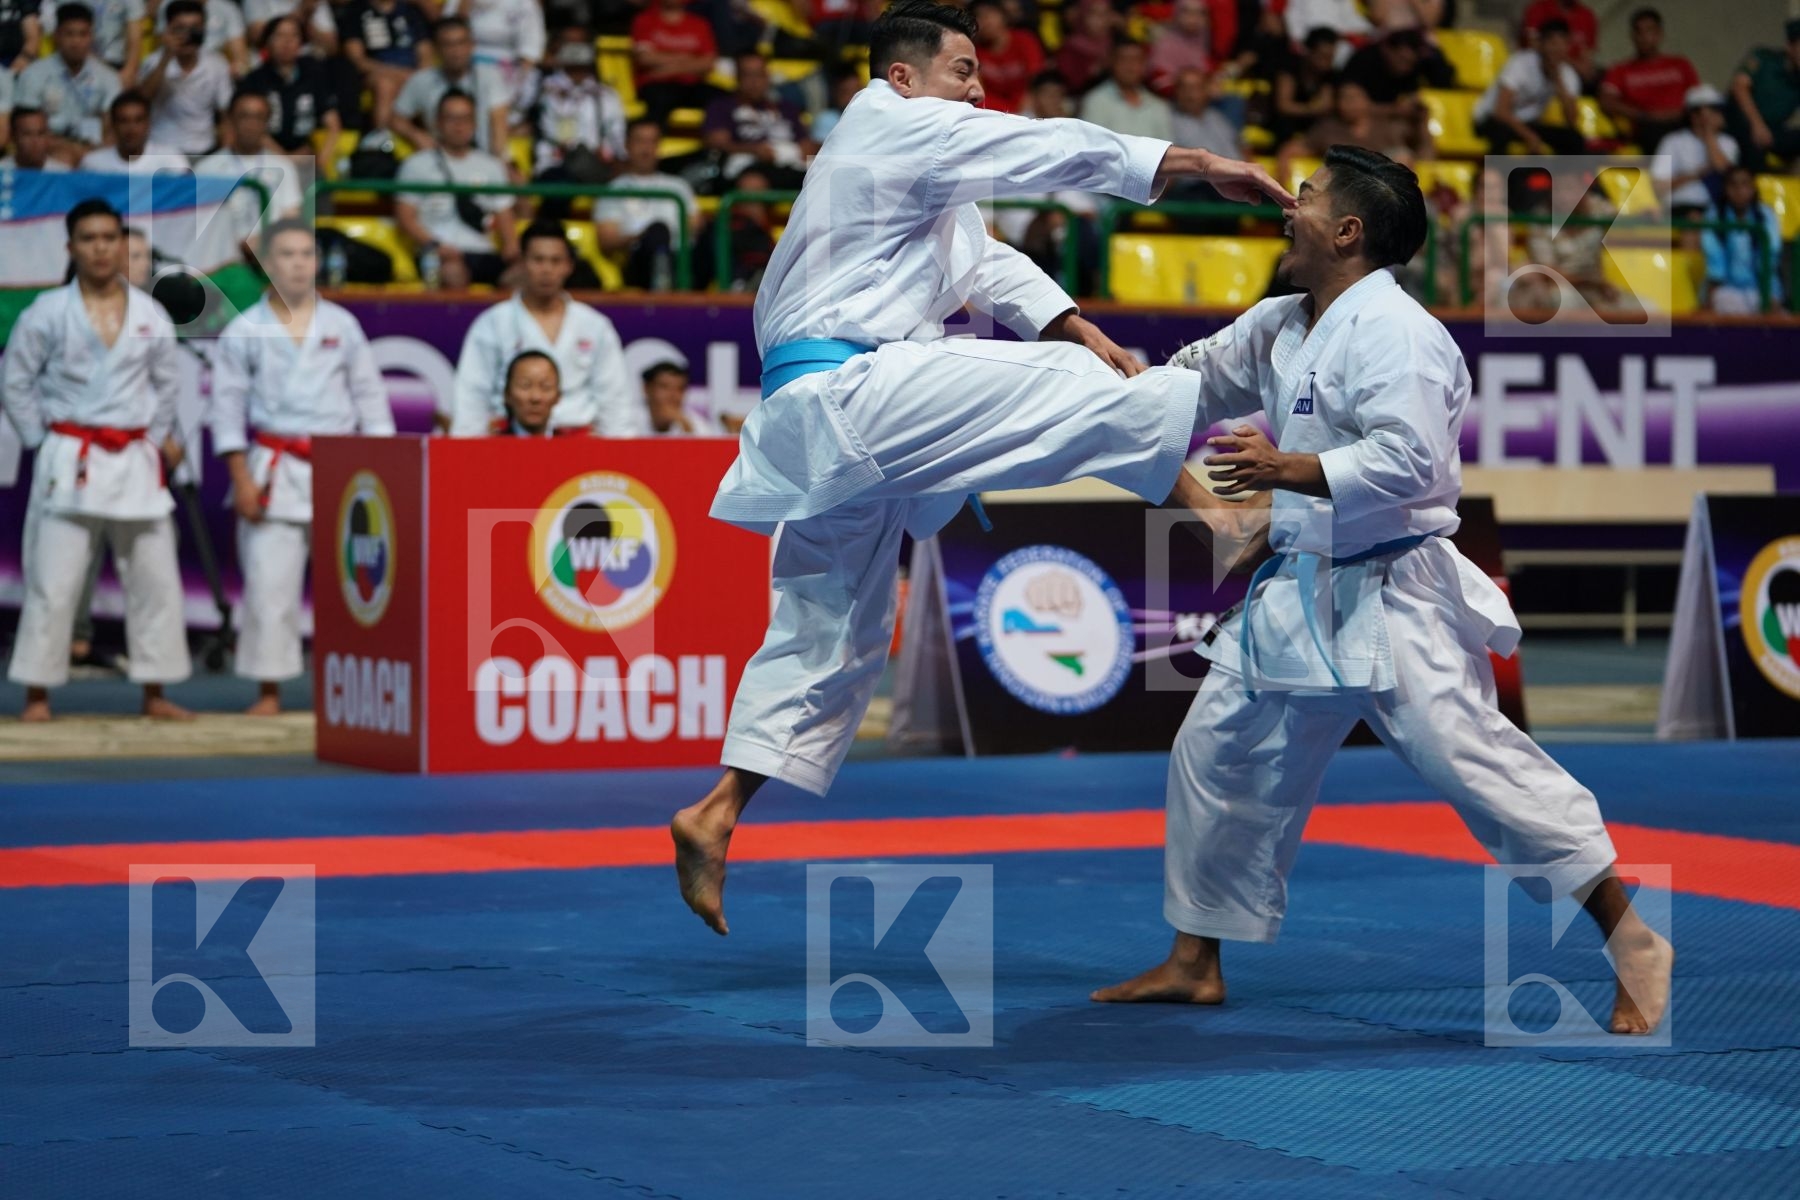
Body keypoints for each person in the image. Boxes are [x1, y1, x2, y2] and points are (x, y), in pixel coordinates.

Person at [668, 0, 1293, 936]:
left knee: (830, 631)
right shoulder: (886, 123)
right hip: (851, 396)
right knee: (1071, 387)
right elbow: (1045, 148)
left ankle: (715, 813)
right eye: (962, 69)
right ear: (902, 78)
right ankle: (1221, 514)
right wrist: (1195, 165)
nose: (978, 85)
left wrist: (1077, 320)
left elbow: (988, 263)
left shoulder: (914, 182)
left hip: (831, 425)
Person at [1090, 146, 1674, 1040]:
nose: (1291, 204)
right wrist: (1082, 374)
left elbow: (1412, 463)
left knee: (1475, 767)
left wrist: (1285, 468)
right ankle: (1194, 960)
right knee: (1215, 754)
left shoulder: (1399, 333)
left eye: (1310, 196)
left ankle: (1631, 937)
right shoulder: (1285, 322)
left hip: (1396, 588)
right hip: (1299, 592)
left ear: (1348, 231)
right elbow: (1183, 383)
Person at [2, 199, 192, 722]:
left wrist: (152, 441)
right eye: (89, 239)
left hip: (133, 457)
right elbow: (14, 382)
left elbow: (169, 388)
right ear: (71, 247)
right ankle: (37, 694)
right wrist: (41, 438)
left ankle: (155, 692)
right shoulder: (47, 311)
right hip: (71, 454)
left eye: (110, 238)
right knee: (54, 578)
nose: (101, 248)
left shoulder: (150, 312)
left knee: (155, 577)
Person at [210, 218, 394, 715]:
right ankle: (269, 691)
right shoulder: (244, 329)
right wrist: (241, 478)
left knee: (353, 586)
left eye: (307, 254)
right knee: (270, 585)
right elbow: (225, 409)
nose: (297, 263)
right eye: (287, 254)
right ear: (268, 265)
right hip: (273, 467)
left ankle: (355, 689)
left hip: (341, 470)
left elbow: (371, 401)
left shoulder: (343, 326)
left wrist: (385, 473)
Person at [449, 221, 638, 435]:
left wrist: (621, 450)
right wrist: (466, 449)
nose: (547, 270)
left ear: (569, 266)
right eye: (538, 260)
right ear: (522, 263)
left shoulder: (595, 325)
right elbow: (472, 395)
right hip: (509, 440)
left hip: (578, 441)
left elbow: (614, 398)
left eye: (556, 261)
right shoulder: (493, 323)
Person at [393, 88, 518, 287]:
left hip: (483, 252)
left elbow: (505, 218)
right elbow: (405, 217)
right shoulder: (416, 164)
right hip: (439, 254)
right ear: (438, 123)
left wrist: (513, 252)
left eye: (465, 118)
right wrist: (435, 246)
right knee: (453, 272)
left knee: (522, 276)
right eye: (451, 118)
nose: (459, 125)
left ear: (475, 123)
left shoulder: (492, 166)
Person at [593, 116, 701, 290]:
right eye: (640, 141)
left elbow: (695, 225)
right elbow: (607, 238)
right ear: (627, 145)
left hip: (680, 259)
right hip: (638, 260)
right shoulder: (614, 190)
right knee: (657, 232)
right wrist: (644, 236)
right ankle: (662, 278)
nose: (646, 148)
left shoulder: (678, 186)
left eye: (652, 142)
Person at [197, 90, 307, 250]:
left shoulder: (284, 167)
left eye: (258, 117)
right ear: (231, 120)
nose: (251, 124)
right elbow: (201, 223)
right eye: (244, 116)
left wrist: (263, 242)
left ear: (266, 123)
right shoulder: (207, 168)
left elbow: (290, 219)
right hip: (222, 256)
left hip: (270, 257)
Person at [519, 26, 627, 189]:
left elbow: (617, 138)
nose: (575, 49)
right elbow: (518, 110)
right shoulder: (540, 87)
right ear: (557, 46)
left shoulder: (607, 95)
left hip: (596, 166)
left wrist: (609, 156)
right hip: (554, 165)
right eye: (569, 43)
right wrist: (543, 65)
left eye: (581, 43)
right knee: (560, 182)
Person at [15, 3, 124, 164]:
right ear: (56, 36)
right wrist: (73, 150)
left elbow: (111, 129)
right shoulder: (33, 75)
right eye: (69, 34)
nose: (76, 42)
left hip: (94, 149)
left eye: (83, 34)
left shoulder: (108, 77)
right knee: (62, 160)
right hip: (48, 150)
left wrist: (90, 153)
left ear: (91, 36)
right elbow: (26, 129)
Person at [392, 16, 509, 156]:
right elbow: (396, 119)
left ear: (471, 45)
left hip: (482, 158)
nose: (456, 51)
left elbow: (499, 123)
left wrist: (497, 164)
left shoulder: (490, 76)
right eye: (448, 44)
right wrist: (417, 136)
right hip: (439, 160)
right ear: (436, 48)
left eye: (461, 43)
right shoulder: (421, 80)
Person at [136, 0, 235, 156]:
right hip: (162, 150)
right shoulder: (154, 62)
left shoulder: (217, 64)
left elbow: (226, 117)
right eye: (180, 29)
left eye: (194, 28)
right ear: (168, 30)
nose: (188, 35)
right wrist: (166, 58)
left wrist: (224, 158)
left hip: (204, 150)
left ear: (204, 29)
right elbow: (143, 100)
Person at [701, 52, 814, 189]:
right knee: (752, 184)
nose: (754, 81)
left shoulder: (786, 108)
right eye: (748, 75)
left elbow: (806, 144)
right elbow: (717, 143)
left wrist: (802, 150)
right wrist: (755, 150)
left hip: (789, 167)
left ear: (767, 77)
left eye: (759, 75)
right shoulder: (722, 107)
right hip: (747, 168)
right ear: (737, 78)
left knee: (822, 181)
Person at [1474, 18, 1585, 156]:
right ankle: (1492, 175)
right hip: (1492, 119)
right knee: (1501, 134)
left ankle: (1567, 177)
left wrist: (1558, 80)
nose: (1557, 49)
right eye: (1552, 43)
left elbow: (1572, 120)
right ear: (1540, 45)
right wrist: (1529, 135)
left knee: (1573, 138)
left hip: (1526, 123)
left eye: (1563, 43)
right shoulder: (1520, 63)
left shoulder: (1567, 74)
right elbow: (1500, 111)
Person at [1598, 8, 1698, 154]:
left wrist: (1676, 114)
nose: (1644, 37)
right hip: (1646, 127)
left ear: (1659, 34)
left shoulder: (1680, 64)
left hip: (1681, 122)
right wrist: (1643, 115)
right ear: (1632, 36)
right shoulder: (1620, 69)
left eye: (1649, 31)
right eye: (1639, 32)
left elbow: (1697, 97)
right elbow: (1607, 100)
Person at [240, 15, 341, 157]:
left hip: (304, 153)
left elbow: (333, 125)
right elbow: (251, 129)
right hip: (264, 156)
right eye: (280, 35)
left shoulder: (314, 74)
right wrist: (286, 161)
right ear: (267, 42)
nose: (287, 42)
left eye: (294, 35)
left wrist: (320, 162)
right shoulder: (254, 80)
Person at [1652, 85, 1738, 225]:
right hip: (1682, 206)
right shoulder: (1673, 141)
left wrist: (1709, 134)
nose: (1715, 115)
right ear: (1692, 115)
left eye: (1716, 110)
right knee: (1694, 219)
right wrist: (1697, 174)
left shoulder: (1728, 142)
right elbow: (1659, 186)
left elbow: (1724, 171)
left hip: (1720, 207)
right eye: (1709, 111)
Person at [340, 0, 429, 135]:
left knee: (429, 83)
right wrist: (401, 74)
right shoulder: (355, 12)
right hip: (376, 74)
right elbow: (357, 60)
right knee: (385, 84)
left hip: (412, 74)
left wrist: (419, 76)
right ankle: (381, 139)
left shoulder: (411, 11)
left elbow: (425, 53)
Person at [1703, 164, 1783, 315]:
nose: (1739, 191)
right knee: (1720, 303)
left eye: (1745, 184)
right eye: (1733, 185)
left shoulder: (1766, 215)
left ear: (1753, 189)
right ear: (1726, 189)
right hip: (1727, 290)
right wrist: (1710, 300)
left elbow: (1770, 258)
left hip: (1762, 289)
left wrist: (1770, 297)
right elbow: (1715, 264)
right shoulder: (1714, 215)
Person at [1726, 19, 1800, 171]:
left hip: (1774, 129)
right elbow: (1739, 87)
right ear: (1789, 46)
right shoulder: (1764, 58)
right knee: (1754, 145)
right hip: (1744, 121)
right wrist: (1757, 124)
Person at [630, 0, 718, 124]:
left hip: (690, 85)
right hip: (656, 85)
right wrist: (687, 59)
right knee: (660, 100)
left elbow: (708, 63)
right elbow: (645, 58)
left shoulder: (700, 24)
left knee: (722, 100)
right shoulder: (645, 20)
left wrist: (668, 69)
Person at [1080, 40, 1172, 141]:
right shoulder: (1095, 101)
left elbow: (1167, 149)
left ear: (1145, 66)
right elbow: (1091, 147)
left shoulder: (1158, 106)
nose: (1130, 66)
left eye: (1136, 60)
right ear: (1112, 63)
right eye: (1124, 59)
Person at [39, 0, 142, 85]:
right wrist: (101, 71)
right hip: (76, 63)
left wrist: (128, 73)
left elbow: (135, 38)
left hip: (117, 65)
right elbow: (66, 34)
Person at [79, 90, 181, 171]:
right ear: (113, 125)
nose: (131, 128)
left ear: (148, 124)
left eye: (138, 120)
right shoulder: (94, 164)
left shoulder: (170, 161)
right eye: (124, 121)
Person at [969, 0, 1041, 113]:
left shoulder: (1024, 40)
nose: (984, 21)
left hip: (1029, 105)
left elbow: (1036, 79)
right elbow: (979, 90)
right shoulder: (974, 50)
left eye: (988, 14)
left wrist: (1025, 109)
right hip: (995, 110)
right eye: (978, 17)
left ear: (1003, 16)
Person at [1271, 26, 1339, 146]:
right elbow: (1284, 105)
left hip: (1310, 121)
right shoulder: (1289, 67)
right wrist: (1312, 109)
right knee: (1284, 124)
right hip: (1283, 121)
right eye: (1322, 57)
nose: (1326, 63)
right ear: (1308, 51)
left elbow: (1326, 105)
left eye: (1330, 58)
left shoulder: (1331, 75)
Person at [150, 0, 249, 77]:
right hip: (174, 64)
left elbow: (240, 58)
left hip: (216, 70)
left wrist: (238, 70)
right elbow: (162, 45)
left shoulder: (227, 8)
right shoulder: (168, 5)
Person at [1520, 0, 1597, 89]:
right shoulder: (1539, 8)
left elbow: (1585, 68)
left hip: (1572, 78)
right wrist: (1562, 58)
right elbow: (1532, 47)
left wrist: (1557, 56)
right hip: (1536, 72)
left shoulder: (1587, 16)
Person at [1147, 0, 1214, 97]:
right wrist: (1190, 91)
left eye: (1200, 13)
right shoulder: (1164, 46)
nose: (1194, 18)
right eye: (1187, 12)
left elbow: (1209, 77)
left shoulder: (1202, 46)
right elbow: (1157, 83)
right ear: (1177, 14)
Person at [642, 359, 723, 435]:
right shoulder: (631, 419)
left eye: (680, 389)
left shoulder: (695, 424)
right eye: (664, 387)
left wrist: (687, 430)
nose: (672, 395)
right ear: (646, 388)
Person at [490, 349, 561, 435]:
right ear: (507, 394)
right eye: (525, 386)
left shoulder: (570, 445)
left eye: (546, 387)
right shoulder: (492, 446)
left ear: (558, 396)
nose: (535, 397)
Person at [0, 106, 74, 170]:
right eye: (27, 134)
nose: (35, 141)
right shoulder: (2, 171)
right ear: (13, 136)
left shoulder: (62, 175)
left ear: (49, 136)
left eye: (40, 134)